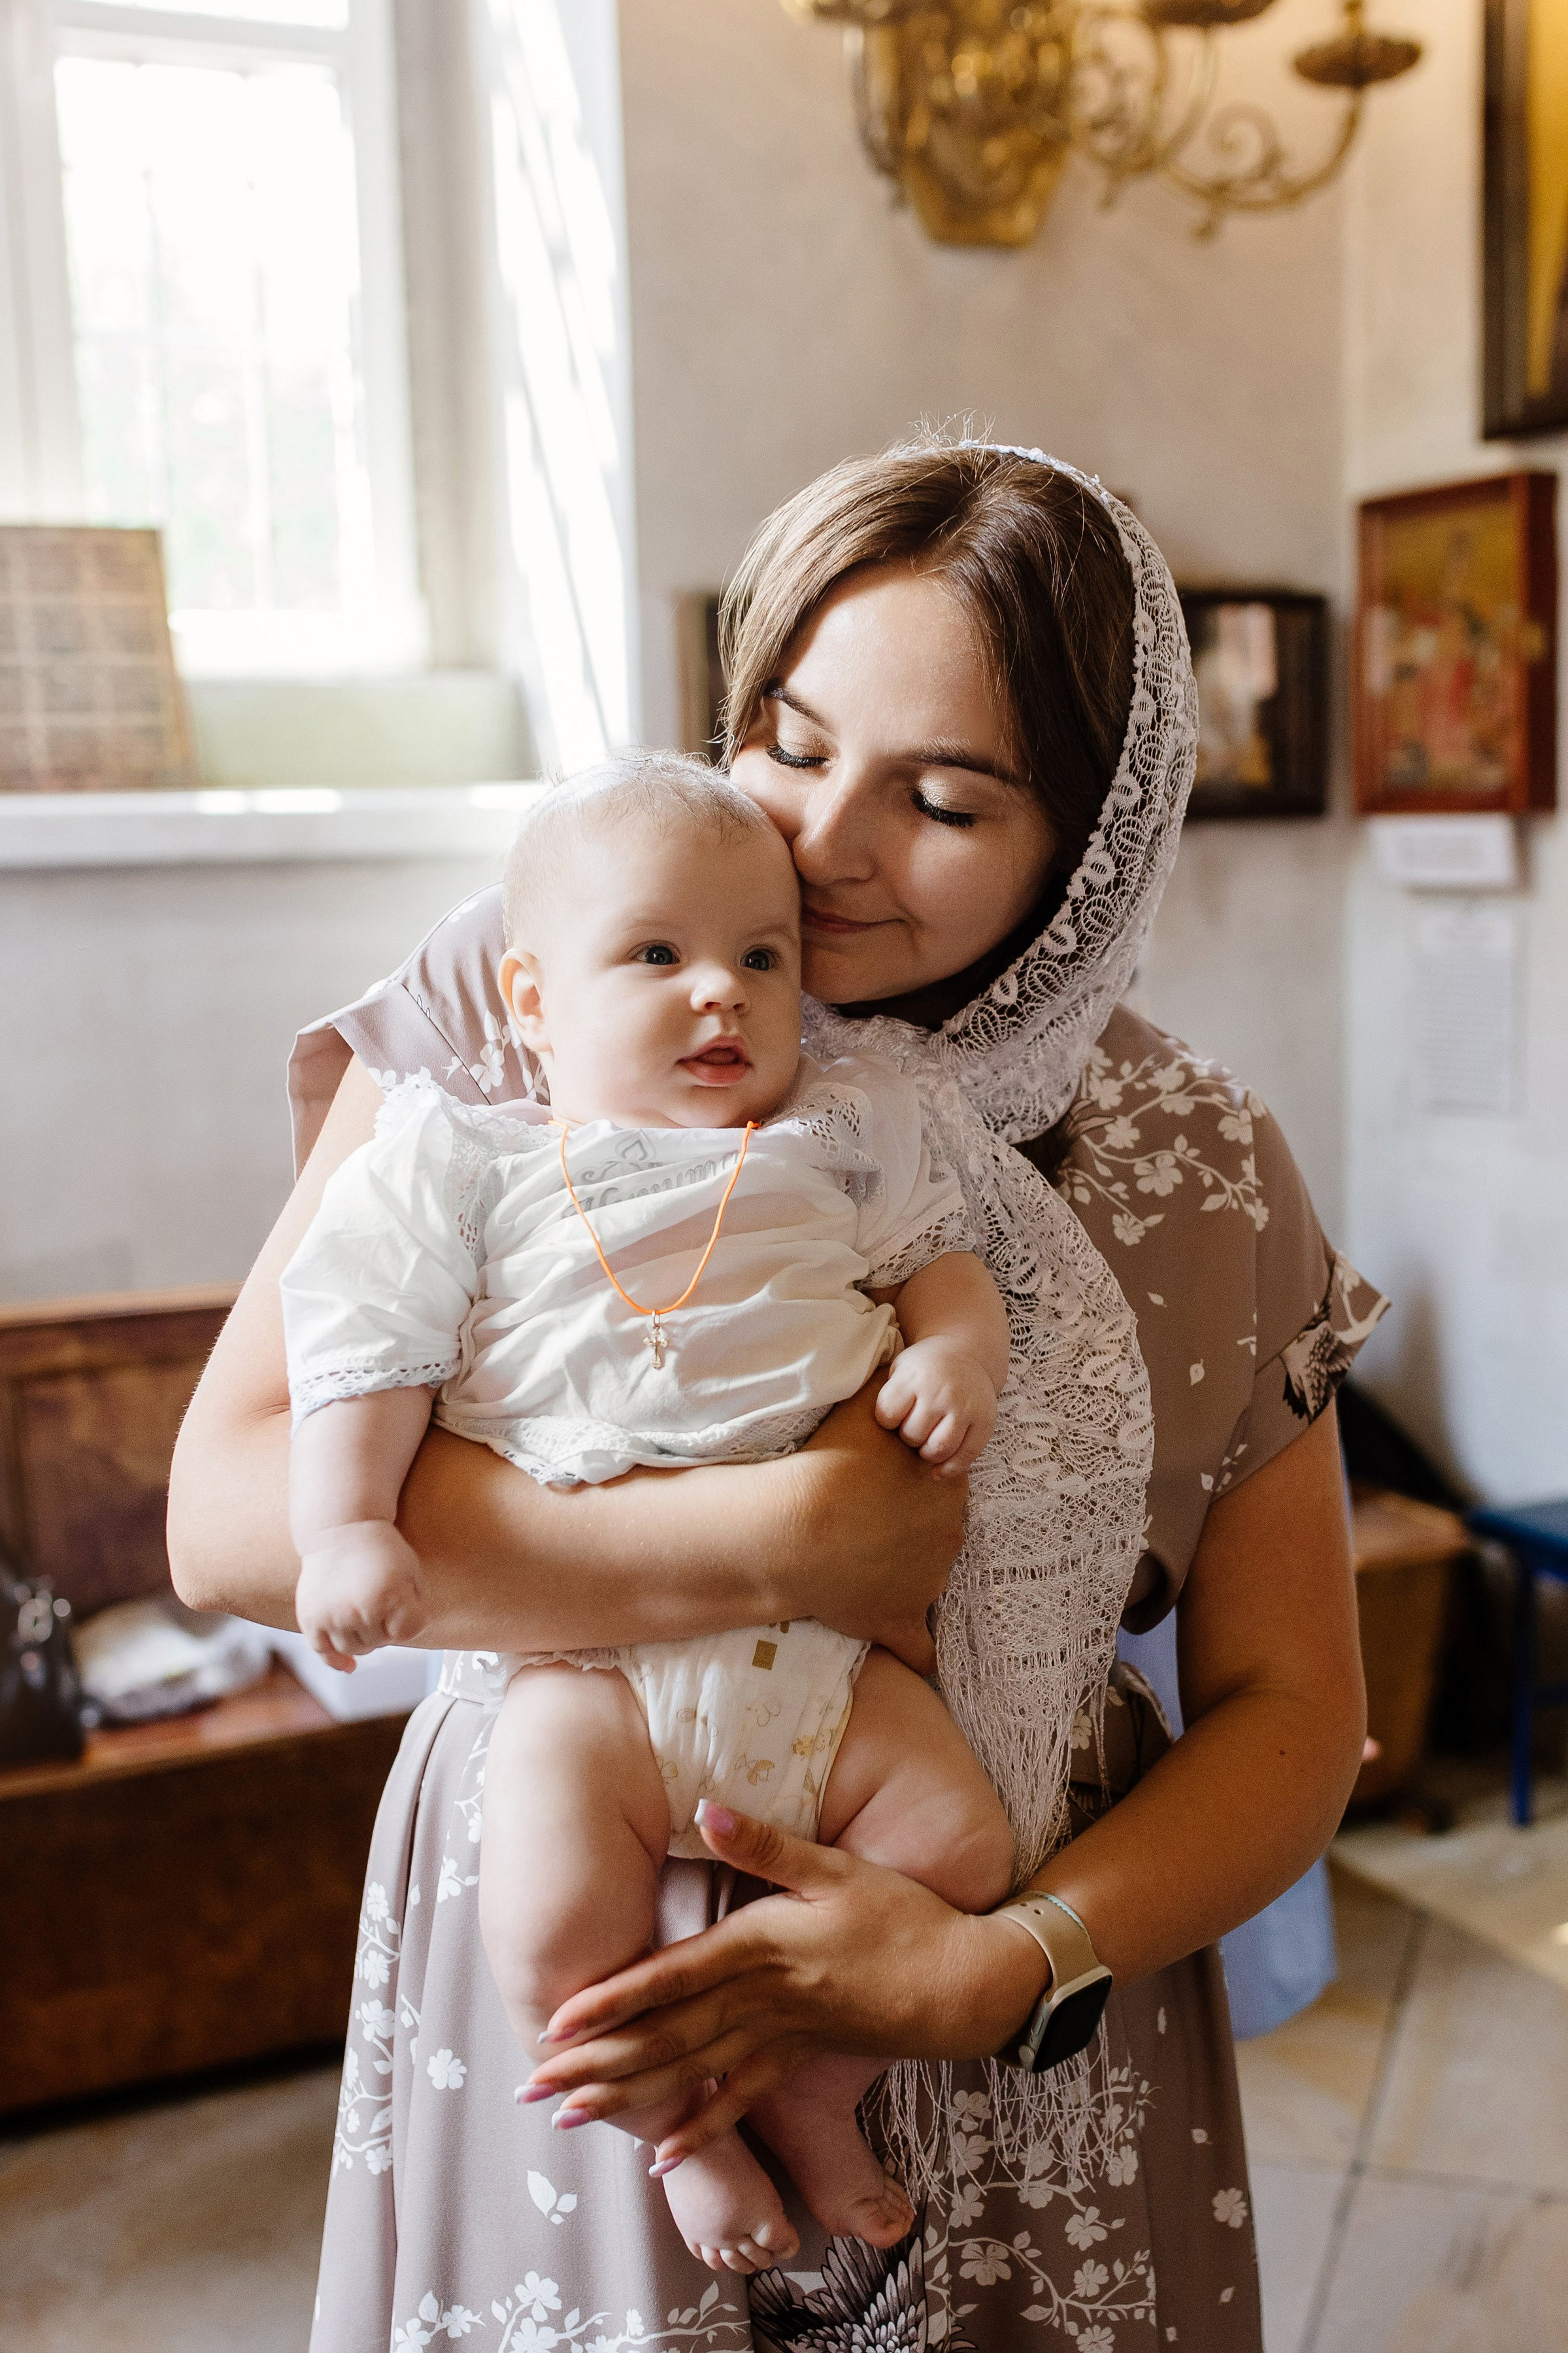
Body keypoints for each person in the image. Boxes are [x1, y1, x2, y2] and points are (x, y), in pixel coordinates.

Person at [169, 438, 1386, 2353]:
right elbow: (232, 1512)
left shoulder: (1196, 1162)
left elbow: (1298, 1710)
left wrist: (997, 1968)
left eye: (946, 798)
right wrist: (800, 1535)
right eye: (790, 742)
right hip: (583, 1980)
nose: (824, 844)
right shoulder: (525, 1013)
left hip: (1026, 1996)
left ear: (1090, 839)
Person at [282, 752, 1018, 2271]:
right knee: (548, 1927)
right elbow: (360, 1342)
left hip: (821, 1663)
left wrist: (954, 1352)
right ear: (534, 1001)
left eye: (763, 958)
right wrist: (350, 1525)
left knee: (960, 1849)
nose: (723, 997)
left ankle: (814, 2100)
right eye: (658, 956)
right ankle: (680, 2130)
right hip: (590, 1674)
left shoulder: (833, 1137)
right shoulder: (466, 1163)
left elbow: (942, 1261)